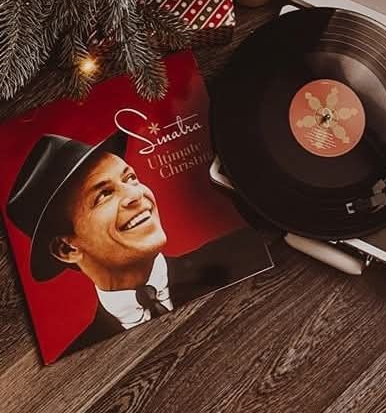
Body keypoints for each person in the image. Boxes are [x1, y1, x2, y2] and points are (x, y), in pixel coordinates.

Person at [7, 130, 268, 357]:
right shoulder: (82, 363)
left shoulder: (249, 251)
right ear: (68, 249)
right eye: (104, 195)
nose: (136, 194)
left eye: (130, 178)